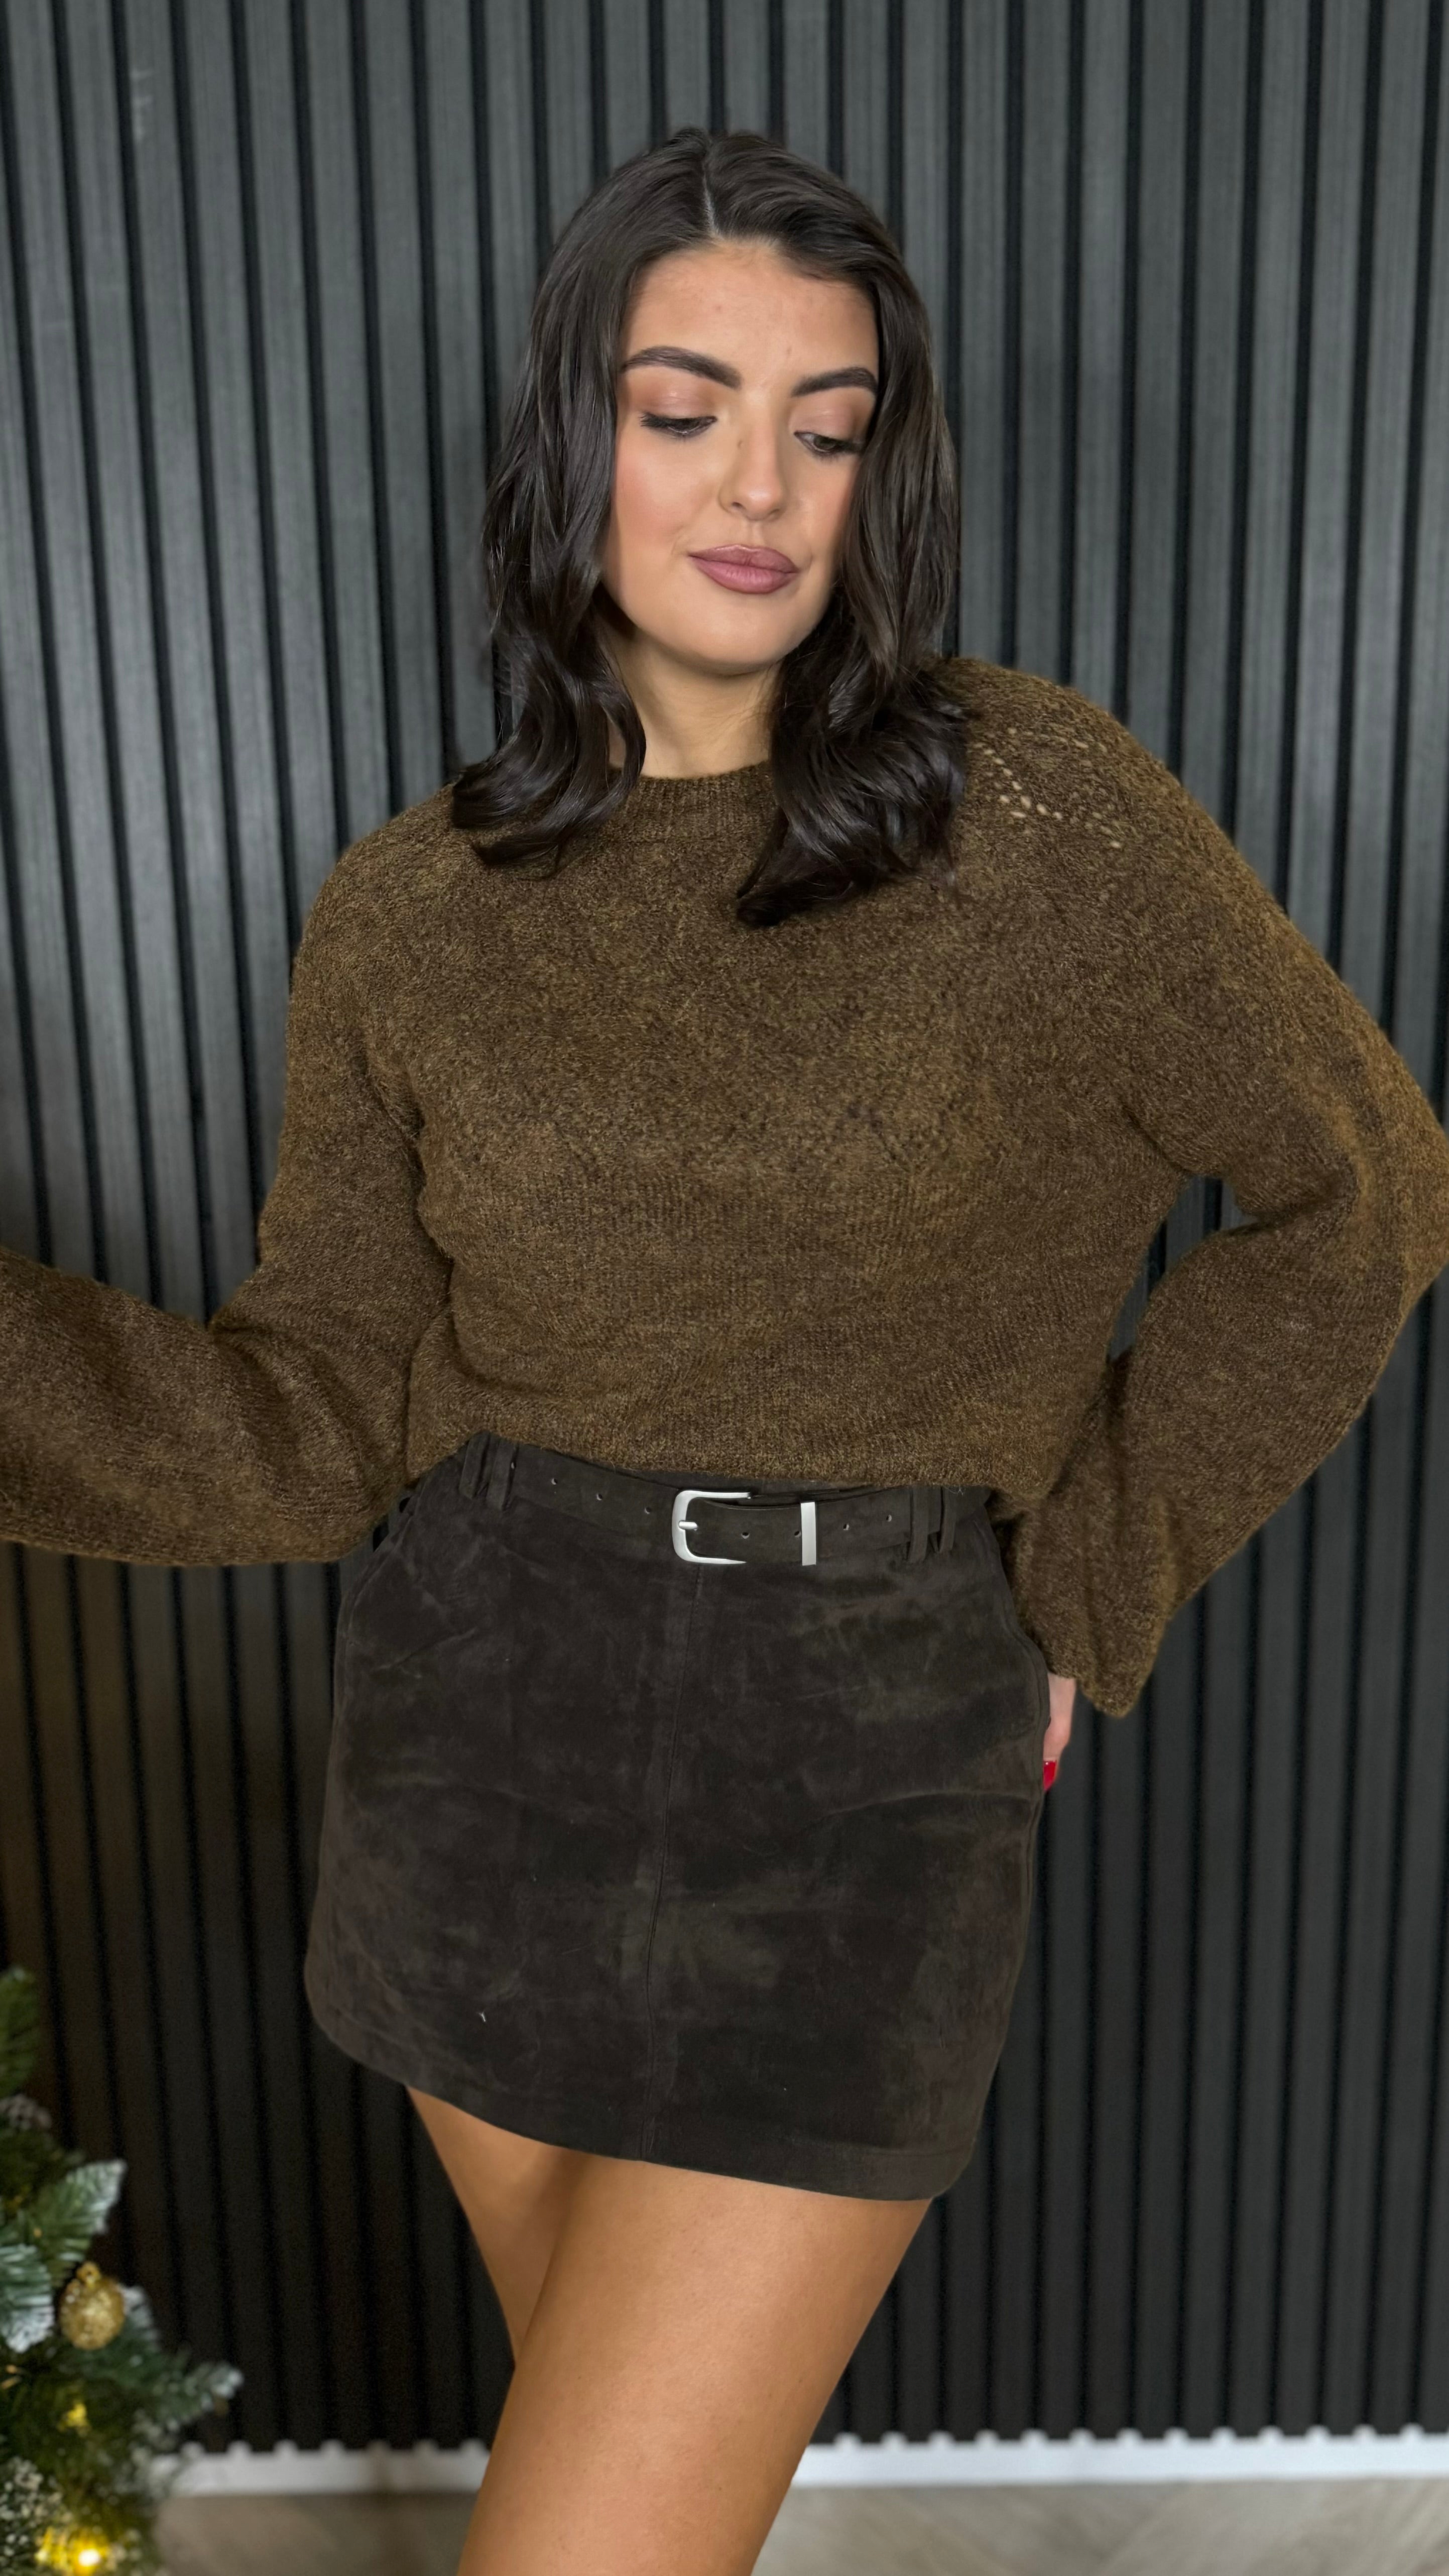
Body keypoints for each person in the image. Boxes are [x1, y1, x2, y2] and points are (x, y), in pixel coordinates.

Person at [5, 123, 1449, 2576]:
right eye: (682, 409)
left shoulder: (1032, 812)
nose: (759, 485)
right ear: (568, 439)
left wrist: (1081, 1585)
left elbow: (1362, 1190)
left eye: (828, 421)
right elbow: (313, 1418)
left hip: (857, 1772)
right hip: (477, 1747)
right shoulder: (409, 909)